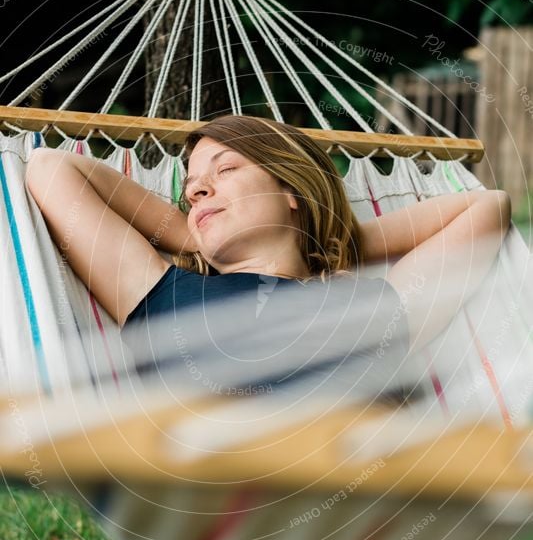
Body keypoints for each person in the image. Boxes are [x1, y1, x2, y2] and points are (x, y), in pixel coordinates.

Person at [25, 114, 512, 368]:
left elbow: (487, 207)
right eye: (191, 189)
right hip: (231, 507)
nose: (195, 190)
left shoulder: (367, 307)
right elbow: (51, 169)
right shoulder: (162, 295)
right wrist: (191, 233)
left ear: (291, 192)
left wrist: (331, 232)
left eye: (227, 170)